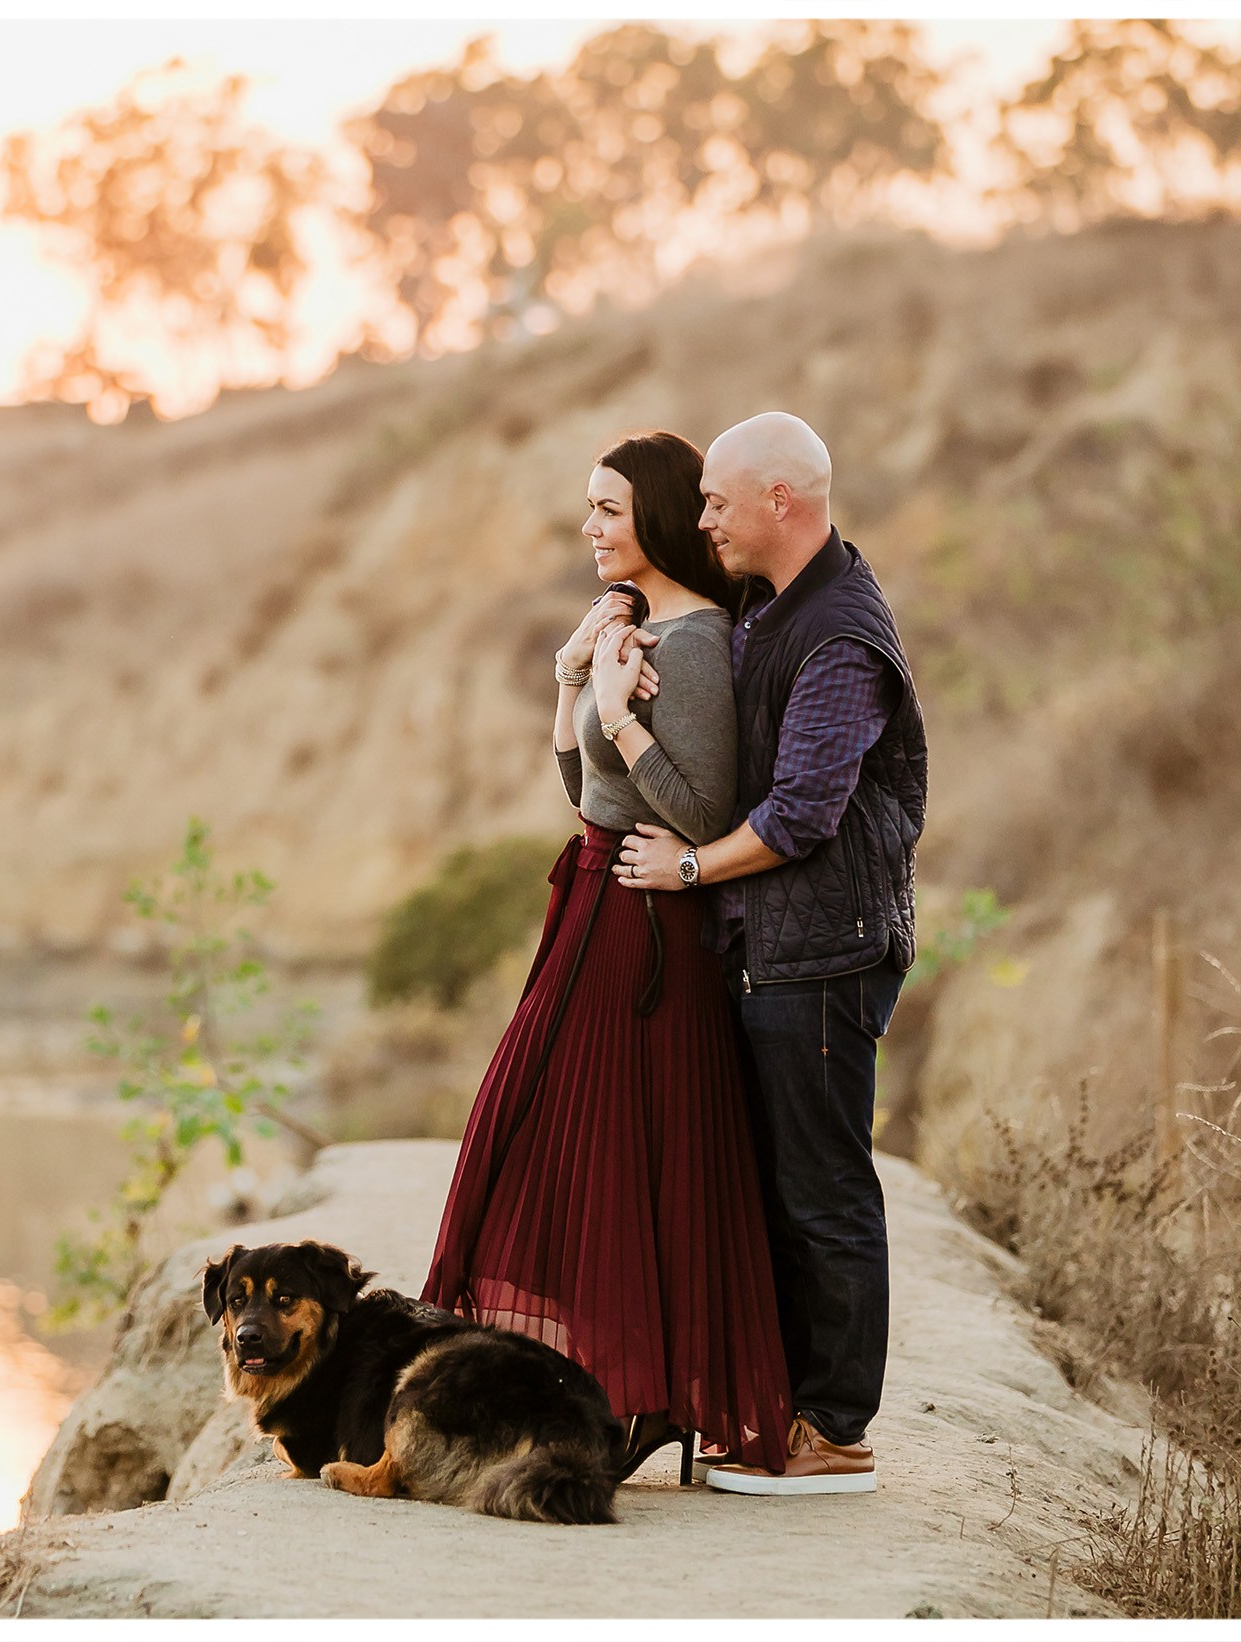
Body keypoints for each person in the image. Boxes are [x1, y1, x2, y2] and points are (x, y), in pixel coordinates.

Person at [420, 431, 792, 1481]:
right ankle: (604, 1386)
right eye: (587, 509)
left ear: (659, 520)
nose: (588, 527)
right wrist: (569, 679)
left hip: (642, 928)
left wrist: (625, 721)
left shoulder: (700, 643)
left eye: (607, 510)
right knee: (545, 1136)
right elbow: (589, 796)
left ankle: (643, 1392)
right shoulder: (635, 631)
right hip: (588, 898)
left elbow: (703, 810)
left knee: (619, 1156)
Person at [612, 411, 927, 1496]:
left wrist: (686, 872)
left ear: (779, 503)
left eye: (717, 504)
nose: (703, 521)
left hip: (826, 955)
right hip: (774, 947)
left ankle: (835, 1434)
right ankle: (776, 1402)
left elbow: (799, 814)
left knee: (825, 1187)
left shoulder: (838, 636)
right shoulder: (770, 602)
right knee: (778, 1181)